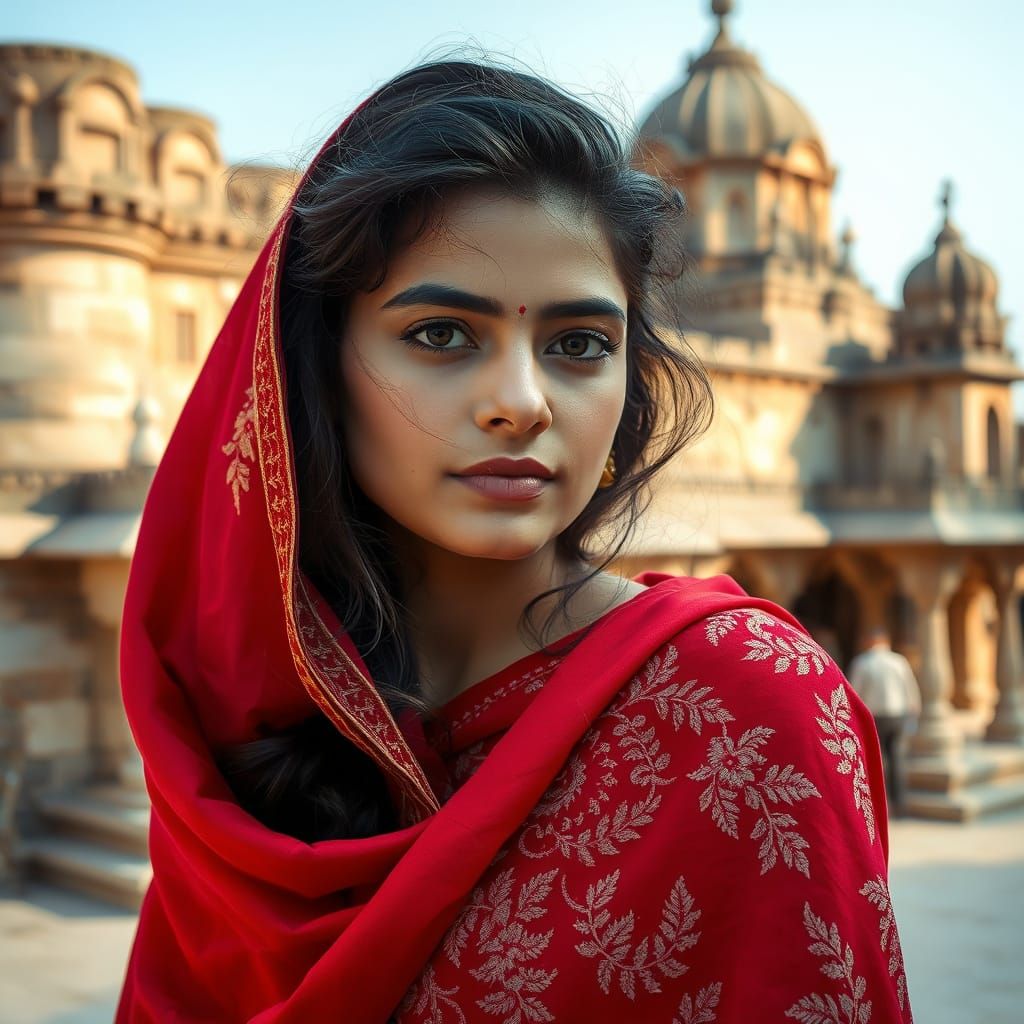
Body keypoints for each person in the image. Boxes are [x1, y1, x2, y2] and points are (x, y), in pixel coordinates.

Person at [115, 53, 914, 1023]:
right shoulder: (254, 733)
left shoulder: (743, 706)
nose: (521, 404)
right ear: (314, 369)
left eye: (579, 344)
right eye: (442, 334)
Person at [847, 626, 922, 818]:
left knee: (875, 762)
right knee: (896, 759)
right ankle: (900, 804)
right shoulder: (899, 661)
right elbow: (911, 689)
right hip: (897, 715)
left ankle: (879, 807)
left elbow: (854, 694)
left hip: (875, 718)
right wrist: (913, 713)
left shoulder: (862, 663)